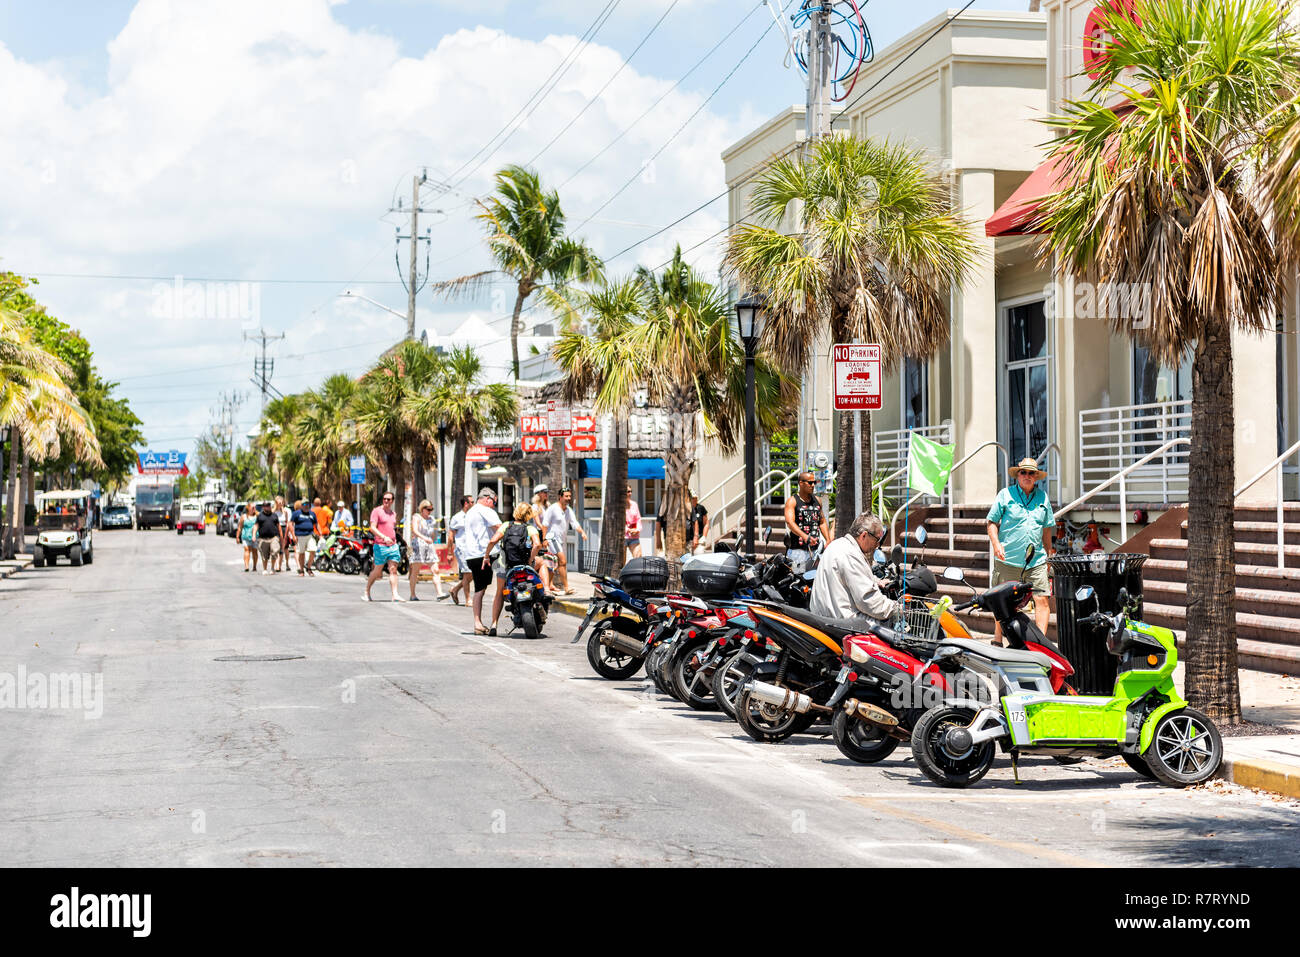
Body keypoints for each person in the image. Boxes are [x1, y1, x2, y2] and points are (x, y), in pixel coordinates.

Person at [987, 457, 1055, 645]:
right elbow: (991, 523)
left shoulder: (1043, 497)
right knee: (1002, 602)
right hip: (1008, 558)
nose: (1027, 475)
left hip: (1036, 560)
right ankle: (998, 638)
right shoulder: (1005, 495)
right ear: (1018, 475)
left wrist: (1049, 553)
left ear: (1036, 477)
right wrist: (996, 544)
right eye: (1023, 472)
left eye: (1031, 473)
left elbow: (1047, 528)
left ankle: (1040, 644)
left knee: (1042, 600)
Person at [810, 512, 900, 623]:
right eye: (877, 540)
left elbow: (846, 578)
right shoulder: (851, 554)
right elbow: (868, 601)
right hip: (843, 623)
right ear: (864, 535)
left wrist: (875, 581)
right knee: (888, 626)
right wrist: (897, 608)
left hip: (825, 617)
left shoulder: (837, 544)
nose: (877, 545)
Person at [483, 503, 543, 635]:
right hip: (523, 564)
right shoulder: (530, 528)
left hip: (505, 564)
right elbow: (537, 545)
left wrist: (486, 556)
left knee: (499, 592)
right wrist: (531, 559)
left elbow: (492, 541)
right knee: (543, 563)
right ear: (528, 515)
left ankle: (494, 624)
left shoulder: (506, 525)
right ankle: (547, 590)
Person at [463, 489, 502, 633]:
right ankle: (478, 623)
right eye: (494, 501)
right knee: (481, 589)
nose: (494, 505)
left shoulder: (471, 512)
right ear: (487, 499)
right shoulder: (485, 510)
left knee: (480, 588)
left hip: (471, 555)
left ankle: (478, 622)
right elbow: (500, 528)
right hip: (483, 555)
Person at [542, 487, 587, 595]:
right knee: (563, 561)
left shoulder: (568, 510)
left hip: (562, 540)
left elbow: (574, 523)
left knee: (553, 564)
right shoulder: (553, 508)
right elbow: (545, 524)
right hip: (552, 538)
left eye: (569, 496)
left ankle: (548, 586)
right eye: (566, 496)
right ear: (560, 497)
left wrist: (582, 532)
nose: (568, 498)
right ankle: (566, 588)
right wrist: (544, 539)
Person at [784, 471, 830, 569]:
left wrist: (828, 540)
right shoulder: (792, 501)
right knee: (798, 578)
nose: (813, 485)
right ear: (801, 483)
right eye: (810, 483)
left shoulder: (817, 500)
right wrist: (805, 537)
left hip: (816, 551)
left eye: (814, 482)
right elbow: (790, 523)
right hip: (798, 551)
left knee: (815, 579)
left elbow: (821, 522)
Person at [363, 491, 403, 602]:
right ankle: (367, 591)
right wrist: (384, 537)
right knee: (377, 572)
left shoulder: (393, 514)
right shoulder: (377, 511)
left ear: (392, 501)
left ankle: (395, 594)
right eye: (384, 499)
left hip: (393, 545)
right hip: (380, 545)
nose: (386, 501)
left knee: (393, 569)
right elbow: (372, 528)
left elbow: (392, 528)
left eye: (389, 499)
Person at [407, 499, 447, 602]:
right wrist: (424, 538)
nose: (430, 511)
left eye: (431, 509)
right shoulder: (417, 517)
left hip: (429, 546)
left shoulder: (431, 519)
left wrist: (433, 540)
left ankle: (439, 593)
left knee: (436, 569)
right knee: (415, 571)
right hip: (418, 545)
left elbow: (432, 533)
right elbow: (415, 531)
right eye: (428, 509)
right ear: (422, 508)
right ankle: (412, 594)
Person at [446, 495, 474, 605]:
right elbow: (450, 536)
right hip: (462, 548)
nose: (474, 504)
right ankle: (468, 599)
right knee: (467, 573)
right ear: (466, 503)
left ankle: (455, 589)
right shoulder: (457, 517)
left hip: (474, 549)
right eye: (472, 502)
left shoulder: (474, 516)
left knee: (472, 574)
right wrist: (449, 553)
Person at [291, 499, 318, 576]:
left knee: (313, 550)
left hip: (310, 535)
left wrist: (320, 534)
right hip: (300, 535)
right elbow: (290, 524)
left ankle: (309, 567)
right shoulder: (296, 514)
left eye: (308, 504)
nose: (306, 506)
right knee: (301, 553)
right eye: (304, 505)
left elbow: (316, 524)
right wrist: (293, 535)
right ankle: (302, 570)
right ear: (301, 505)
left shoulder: (312, 514)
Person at [255, 501, 280, 575]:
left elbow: (279, 527)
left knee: (275, 551)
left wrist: (281, 537)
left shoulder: (274, 515)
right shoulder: (260, 516)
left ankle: (272, 568)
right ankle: (265, 569)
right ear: (263, 507)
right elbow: (256, 525)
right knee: (264, 554)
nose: (268, 507)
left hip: (274, 537)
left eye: (269, 505)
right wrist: (254, 535)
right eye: (266, 506)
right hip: (263, 538)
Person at [274, 495, 292, 572]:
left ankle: (287, 563)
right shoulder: (273, 511)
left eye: (281, 503)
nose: (280, 504)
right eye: (279, 503)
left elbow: (287, 522)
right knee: (276, 548)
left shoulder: (285, 512)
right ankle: (277, 565)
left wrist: (287, 533)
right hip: (275, 529)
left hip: (284, 529)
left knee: (285, 548)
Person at [624, 488, 642, 560]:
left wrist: (637, 530)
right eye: (628, 491)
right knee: (621, 561)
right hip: (623, 537)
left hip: (634, 536)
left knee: (638, 558)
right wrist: (628, 530)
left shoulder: (634, 504)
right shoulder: (618, 505)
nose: (630, 493)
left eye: (631, 491)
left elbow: (638, 519)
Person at [239, 503, 258, 572]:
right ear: (248, 508)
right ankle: (246, 566)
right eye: (252, 507)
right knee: (247, 550)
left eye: (255, 507)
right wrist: (237, 536)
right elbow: (240, 527)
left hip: (255, 536)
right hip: (245, 536)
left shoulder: (257, 516)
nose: (254, 509)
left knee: (254, 551)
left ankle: (254, 566)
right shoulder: (244, 517)